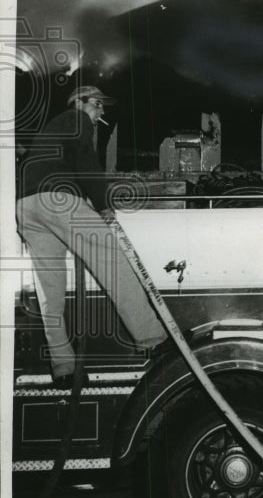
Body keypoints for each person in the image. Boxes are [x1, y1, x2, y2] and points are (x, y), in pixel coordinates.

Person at [15, 85, 167, 387]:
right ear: (80, 103)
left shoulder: (51, 129)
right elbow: (86, 162)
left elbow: (58, 166)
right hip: (56, 201)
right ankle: (153, 339)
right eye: (97, 105)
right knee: (111, 259)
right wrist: (103, 205)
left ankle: (63, 369)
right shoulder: (77, 119)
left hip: (25, 207)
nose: (101, 113)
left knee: (50, 292)